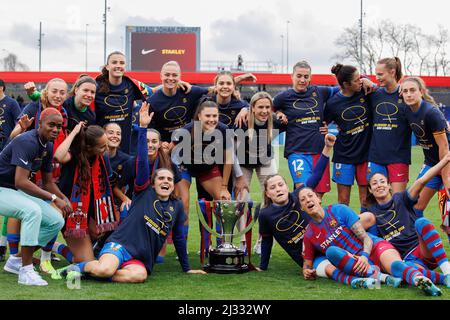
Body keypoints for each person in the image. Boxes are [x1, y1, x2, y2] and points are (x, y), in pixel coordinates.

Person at [54, 102, 206, 282]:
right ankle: (78, 266)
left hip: (138, 257)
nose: (165, 181)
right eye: (161, 178)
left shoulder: (176, 206)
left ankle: (89, 270)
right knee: (101, 267)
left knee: (137, 276)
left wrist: (187, 269)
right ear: (152, 182)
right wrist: (142, 128)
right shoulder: (144, 192)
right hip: (117, 243)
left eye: (169, 179)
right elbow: (141, 162)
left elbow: (179, 238)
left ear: (174, 183)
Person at [300, 187, 443, 295]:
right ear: (302, 207)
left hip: (372, 247)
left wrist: (364, 255)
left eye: (310, 195)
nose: (308, 200)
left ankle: (422, 280)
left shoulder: (339, 210)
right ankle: (386, 277)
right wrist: (307, 271)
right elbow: (307, 264)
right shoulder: (309, 235)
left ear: (318, 198)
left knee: (396, 266)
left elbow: (366, 238)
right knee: (332, 252)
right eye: (303, 199)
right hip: (356, 263)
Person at [0, 108, 70, 286]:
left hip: (13, 191)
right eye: (51, 125)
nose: (55, 129)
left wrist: (63, 197)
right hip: (3, 188)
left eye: (59, 126)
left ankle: (15, 261)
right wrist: (54, 198)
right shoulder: (27, 141)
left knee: (56, 220)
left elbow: (47, 182)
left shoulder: (47, 144)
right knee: (33, 211)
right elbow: (21, 182)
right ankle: (26, 271)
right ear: (40, 124)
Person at [362, 153, 450, 288]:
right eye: (374, 183)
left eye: (382, 181)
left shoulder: (401, 198)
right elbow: (373, 241)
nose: (379, 185)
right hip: (409, 259)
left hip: (423, 249)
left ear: (389, 185)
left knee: (422, 222)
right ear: (370, 190)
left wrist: (445, 160)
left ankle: (447, 271)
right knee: (402, 267)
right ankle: (443, 279)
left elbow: (421, 182)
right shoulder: (371, 214)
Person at [255, 134, 335, 272]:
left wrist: (327, 147)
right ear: (267, 194)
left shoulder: (300, 195)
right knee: (332, 268)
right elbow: (267, 241)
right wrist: (263, 267)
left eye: (280, 185)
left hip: (326, 241)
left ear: (287, 187)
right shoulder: (265, 214)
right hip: (308, 258)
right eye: (273, 188)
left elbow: (316, 174)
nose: (278, 189)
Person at [54, 123, 118, 263]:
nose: (107, 149)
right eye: (102, 147)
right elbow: (58, 156)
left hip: (89, 212)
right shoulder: (74, 155)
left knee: (114, 224)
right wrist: (74, 132)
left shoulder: (101, 158)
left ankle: (81, 246)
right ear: (89, 148)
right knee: (87, 263)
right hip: (69, 211)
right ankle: (53, 247)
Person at [272, 61, 333, 196]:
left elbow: (343, 93)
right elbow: (263, 105)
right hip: (297, 151)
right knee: (304, 191)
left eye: (306, 77)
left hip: (319, 151)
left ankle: (302, 217)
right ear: (292, 76)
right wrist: (278, 113)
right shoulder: (283, 97)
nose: (302, 80)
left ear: (310, 78)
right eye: (299, 76)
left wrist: (329, 120)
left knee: (318, 197)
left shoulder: (320, 91)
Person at [235, 91, 285, 254]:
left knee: (270, 198)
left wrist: (281, 113)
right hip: (243, 162)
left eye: (267, 107)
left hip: (265, 160)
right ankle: (244, 241)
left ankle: (262, 240)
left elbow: (292, 117)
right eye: (260, 107)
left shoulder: (276, 121)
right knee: (241, 200)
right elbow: (231, 150)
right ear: (253, 108)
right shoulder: (242, 121)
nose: (264, 111)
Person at [402, 77, 450, 221]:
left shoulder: (431, 113)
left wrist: (446, 177)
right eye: (405, 91)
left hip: (446, 163)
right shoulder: (406, 110)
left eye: (412, 90)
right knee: (415, 207)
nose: (409, 94)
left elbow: (444, 146)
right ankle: (418, 243)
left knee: (447, 213)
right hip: (432, 165)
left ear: (421, 92)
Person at [325, 63, 372, 212]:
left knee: (366, 200)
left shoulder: (365, 92)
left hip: (366, 154)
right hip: (344, 155)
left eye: (361, 78)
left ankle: (365, 232)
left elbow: (381, 89)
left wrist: (369, 82)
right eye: (357, 79)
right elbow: (323, 124)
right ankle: (344, 234)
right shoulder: (333, 104)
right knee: (343, 201)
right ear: (346, 84)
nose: (361, 81)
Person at [367, 57, 411, 193]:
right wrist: (363, 79)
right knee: (375, 202)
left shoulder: (406, 95)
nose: (377, 78)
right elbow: (353, 83)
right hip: (376, 158)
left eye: (380, 74)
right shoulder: (373, 94)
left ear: (392, 72)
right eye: (376, 74)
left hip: (398, 158)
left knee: (398, 201)